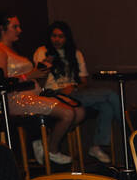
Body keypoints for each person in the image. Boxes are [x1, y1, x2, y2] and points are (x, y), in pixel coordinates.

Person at [0, 11, 85, 165]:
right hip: (14, 100)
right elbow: (1, 82)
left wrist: (43, 70)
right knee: (68, 113)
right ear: (2, 29)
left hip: (34, 94)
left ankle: (44, 144)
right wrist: (30, 75)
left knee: (79, 111)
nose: (20, 30)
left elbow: (31, 77)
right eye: (15, 27)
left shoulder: (12, 50)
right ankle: (51, 150)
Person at [32, 20, 121, 164]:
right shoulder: (42, 51)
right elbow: (38, 83)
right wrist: (45, 66)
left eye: (61, 36)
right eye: (54, 36)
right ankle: (129, 131)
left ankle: (96, 146)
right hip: (53, 94)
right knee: (111, 95)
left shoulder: (75, 53)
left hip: (74, 92)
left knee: (107, 106)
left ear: (67, 38)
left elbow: (84, 80)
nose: (57, 40)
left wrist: (73, 88)